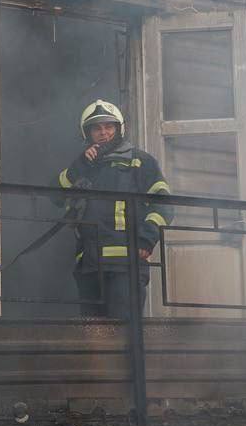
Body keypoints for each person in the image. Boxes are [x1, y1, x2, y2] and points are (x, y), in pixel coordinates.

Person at [55, 100, 172, 317]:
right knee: (94, 340)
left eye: (109, 127)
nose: (103, 133)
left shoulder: (141, 162)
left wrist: (146, 239)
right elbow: (55, 196)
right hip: (89, 266)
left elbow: (163, 204)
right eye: (96, 128)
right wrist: (79, 166)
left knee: (124, 336)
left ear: (119, 129)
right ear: (87, 133)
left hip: (126, 265)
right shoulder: (84, 166)